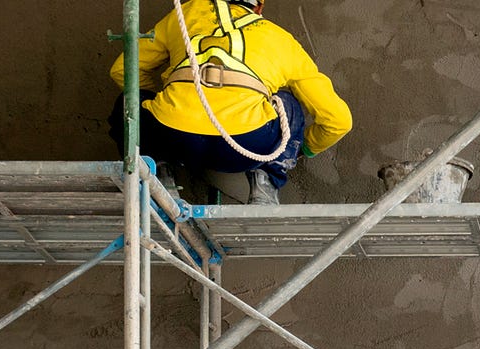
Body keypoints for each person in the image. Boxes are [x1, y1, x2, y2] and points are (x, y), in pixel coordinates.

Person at [108, 0, 352, 205]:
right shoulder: (279, 38)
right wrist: (299, 150)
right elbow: (338, 120)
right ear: (259, 8)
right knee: (288, 103)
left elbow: (123, 69)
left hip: (173, 139)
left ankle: (158, 175)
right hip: (247, 145)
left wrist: (166, 103)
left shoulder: (187, 12)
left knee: (131, 102)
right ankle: (266, 182)